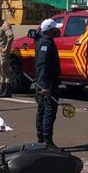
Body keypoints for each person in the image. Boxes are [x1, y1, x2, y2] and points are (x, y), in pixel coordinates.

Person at [34, 18, 62, 148]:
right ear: (50, 30)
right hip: (46, 83)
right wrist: (45, 86)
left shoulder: (43, 41)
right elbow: (43, 65)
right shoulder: (46, 44)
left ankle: (41, 137)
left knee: (42, 109)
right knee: (48, 111)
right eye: (55, 28)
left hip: (44, 82)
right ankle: (46, 140)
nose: (58, 30)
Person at [0, 12, 15, 97]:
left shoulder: (5, 25)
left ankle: (8, 90)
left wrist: (7, 48)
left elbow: (11, 36)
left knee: (5, 68)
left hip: (3, 51)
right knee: (0, 70)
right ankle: (2, 88)